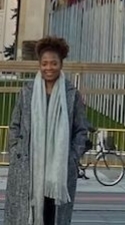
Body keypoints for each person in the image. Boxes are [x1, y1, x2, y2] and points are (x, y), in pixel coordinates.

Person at [4, 36, 89, 225]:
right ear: (39, 65)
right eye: (44, 63)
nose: (48, 68)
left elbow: (81, 130)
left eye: (53, 63)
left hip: (58, 171)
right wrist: (16, 149)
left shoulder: (71, 95)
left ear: (61, 64)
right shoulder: (27, 92)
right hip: (28, 167)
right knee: (26, 215)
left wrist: (72, 156)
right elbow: (15, 126)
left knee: (54, 217)